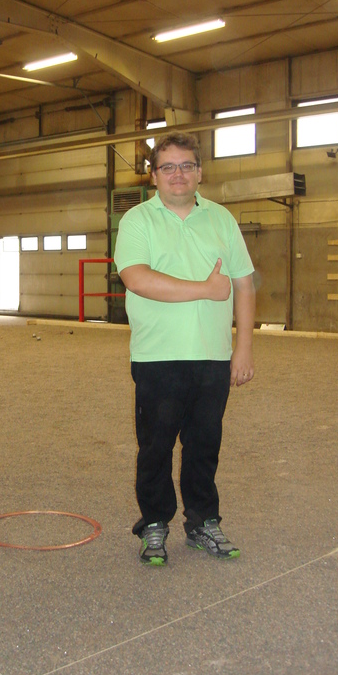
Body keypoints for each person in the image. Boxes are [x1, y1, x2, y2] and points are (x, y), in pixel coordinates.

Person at [114, 131, 255, 565]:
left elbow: (244, 284)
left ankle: (203, 522)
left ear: (200, 172)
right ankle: (154, 523)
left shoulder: (221, 219)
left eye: (186, 166)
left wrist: (243, 348)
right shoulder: (137, 220)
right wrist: (205, 290)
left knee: (204, 446)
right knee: (155, 448)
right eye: (168, 167)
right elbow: (136, 278)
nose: (178, 174)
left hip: (213, 356)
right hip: (157, 357)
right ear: (154, 175)